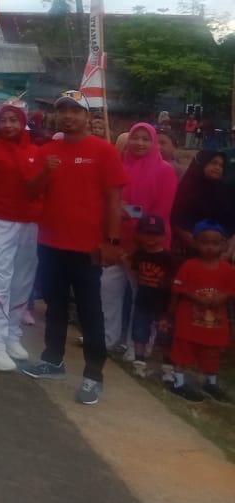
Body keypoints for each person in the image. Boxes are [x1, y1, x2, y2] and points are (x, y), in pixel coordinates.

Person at [21, 90, 126, 406]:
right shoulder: (47, 150)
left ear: (87, 117)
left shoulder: (104, 151)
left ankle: (94, 376)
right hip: (51, 243)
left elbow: (114, 200)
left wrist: (112, 241)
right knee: (54, 306)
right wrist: (46, 171)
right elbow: (30, 192)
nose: (67, 116)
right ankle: (52, 360)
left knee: (90, 311)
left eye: (75, 111)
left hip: (87, 248)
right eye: (62, 111)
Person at [101, 122, 177, 351]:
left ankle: (138, 348)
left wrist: (138, 246)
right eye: (135, 138)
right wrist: (116, 208)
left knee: (144, 297)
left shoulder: (164, 171)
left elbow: (160, 212)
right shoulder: (118, 166)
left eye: (145, 139)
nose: (139, 143)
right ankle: (107, 338)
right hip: (117, 240)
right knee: (107, 290)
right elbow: (105, 200)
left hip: (150, 247)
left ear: (153, 143)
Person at [0, 102, 39, 372]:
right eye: (4, 120)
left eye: (14, 120)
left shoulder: (35, 151)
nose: (8, 125)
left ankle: (12, 333)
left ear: (23, 122)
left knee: (22, 281)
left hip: (30, 222)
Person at [167, 221, 234, 403]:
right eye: (205, 242)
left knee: (212, 352)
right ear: (196, 243)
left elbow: (231, 290)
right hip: (188, 322)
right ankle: (178, 382)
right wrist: (194, 297)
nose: (210, 247)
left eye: (215, 243)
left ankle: (210, 383)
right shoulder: (189, 266)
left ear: (223, 244)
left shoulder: (227, 269)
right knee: (183, 350)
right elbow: (178, 288)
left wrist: (222, 298)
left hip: (214, 325)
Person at [126, 214, 180, 379]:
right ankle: (139, 363)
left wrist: (170, 310)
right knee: (139, 332)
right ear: (139, 235)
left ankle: (168, 368)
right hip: (143, 301)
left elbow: (174, 285)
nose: (151, 237)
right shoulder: (139, 254)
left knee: (165, 336)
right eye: (147, 233)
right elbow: (135, 272)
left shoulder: (169, 258)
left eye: (156, 234)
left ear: (163, 236)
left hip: (163, 304)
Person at [170, 150, 235, 255]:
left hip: (219, 249)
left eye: (221, 165)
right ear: (201, 163)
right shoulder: (186, 188)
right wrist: (195, 243)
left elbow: (230, 222)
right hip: (188, 247)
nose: (217, 168)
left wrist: (223, 246)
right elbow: (177, 217)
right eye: (213, 163)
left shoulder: (226, 191)